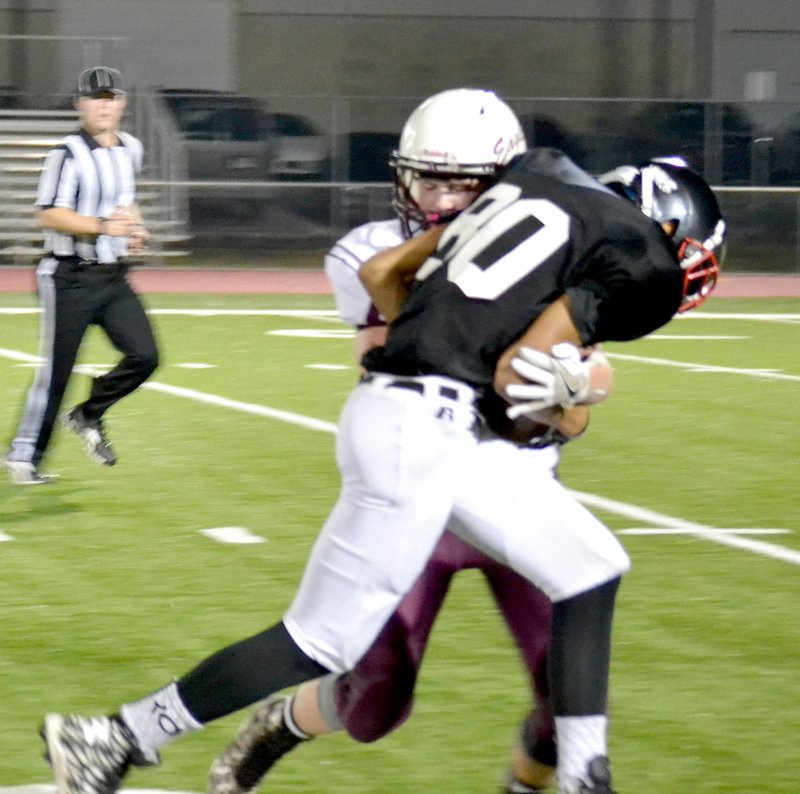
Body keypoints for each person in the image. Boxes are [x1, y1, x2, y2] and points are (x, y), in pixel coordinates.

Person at [41, 95, 726, 794]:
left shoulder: (530, 191)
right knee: (323, 643)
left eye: (453, 180)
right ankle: (116, 737)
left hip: (447, 432)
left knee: (591, 564)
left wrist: (487, 355)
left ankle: (585, 778)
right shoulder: (626, 259)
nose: (437, 194)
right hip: (425, 426)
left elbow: (392, 284)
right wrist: (532, 381)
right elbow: (508, 373)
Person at [208, 88, 609, 794]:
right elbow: (385, 358)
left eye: (466, 185)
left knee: (565, 695)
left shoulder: (558, 246)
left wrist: (584, 384)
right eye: (431, 179)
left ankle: (522, 785)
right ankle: (283, 722)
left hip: (520, 494)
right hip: (427, 496)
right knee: (376, 700)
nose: (445, 201)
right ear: (403, 176)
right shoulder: (374, 255)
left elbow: (595, 367)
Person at [3, 66, 158, 485]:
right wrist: (103, 227)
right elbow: (49, 214)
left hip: (112, 276)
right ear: (80, 105)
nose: (104, 106)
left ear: (122, 103)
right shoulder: (66, 153)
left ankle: (89, 413)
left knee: (146, 356)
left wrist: (137, 228)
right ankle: (23, 458)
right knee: (58, 371)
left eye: (110, 98)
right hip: (68, 276)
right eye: (95, 99)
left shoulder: (131, 148)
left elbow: (126, 203)